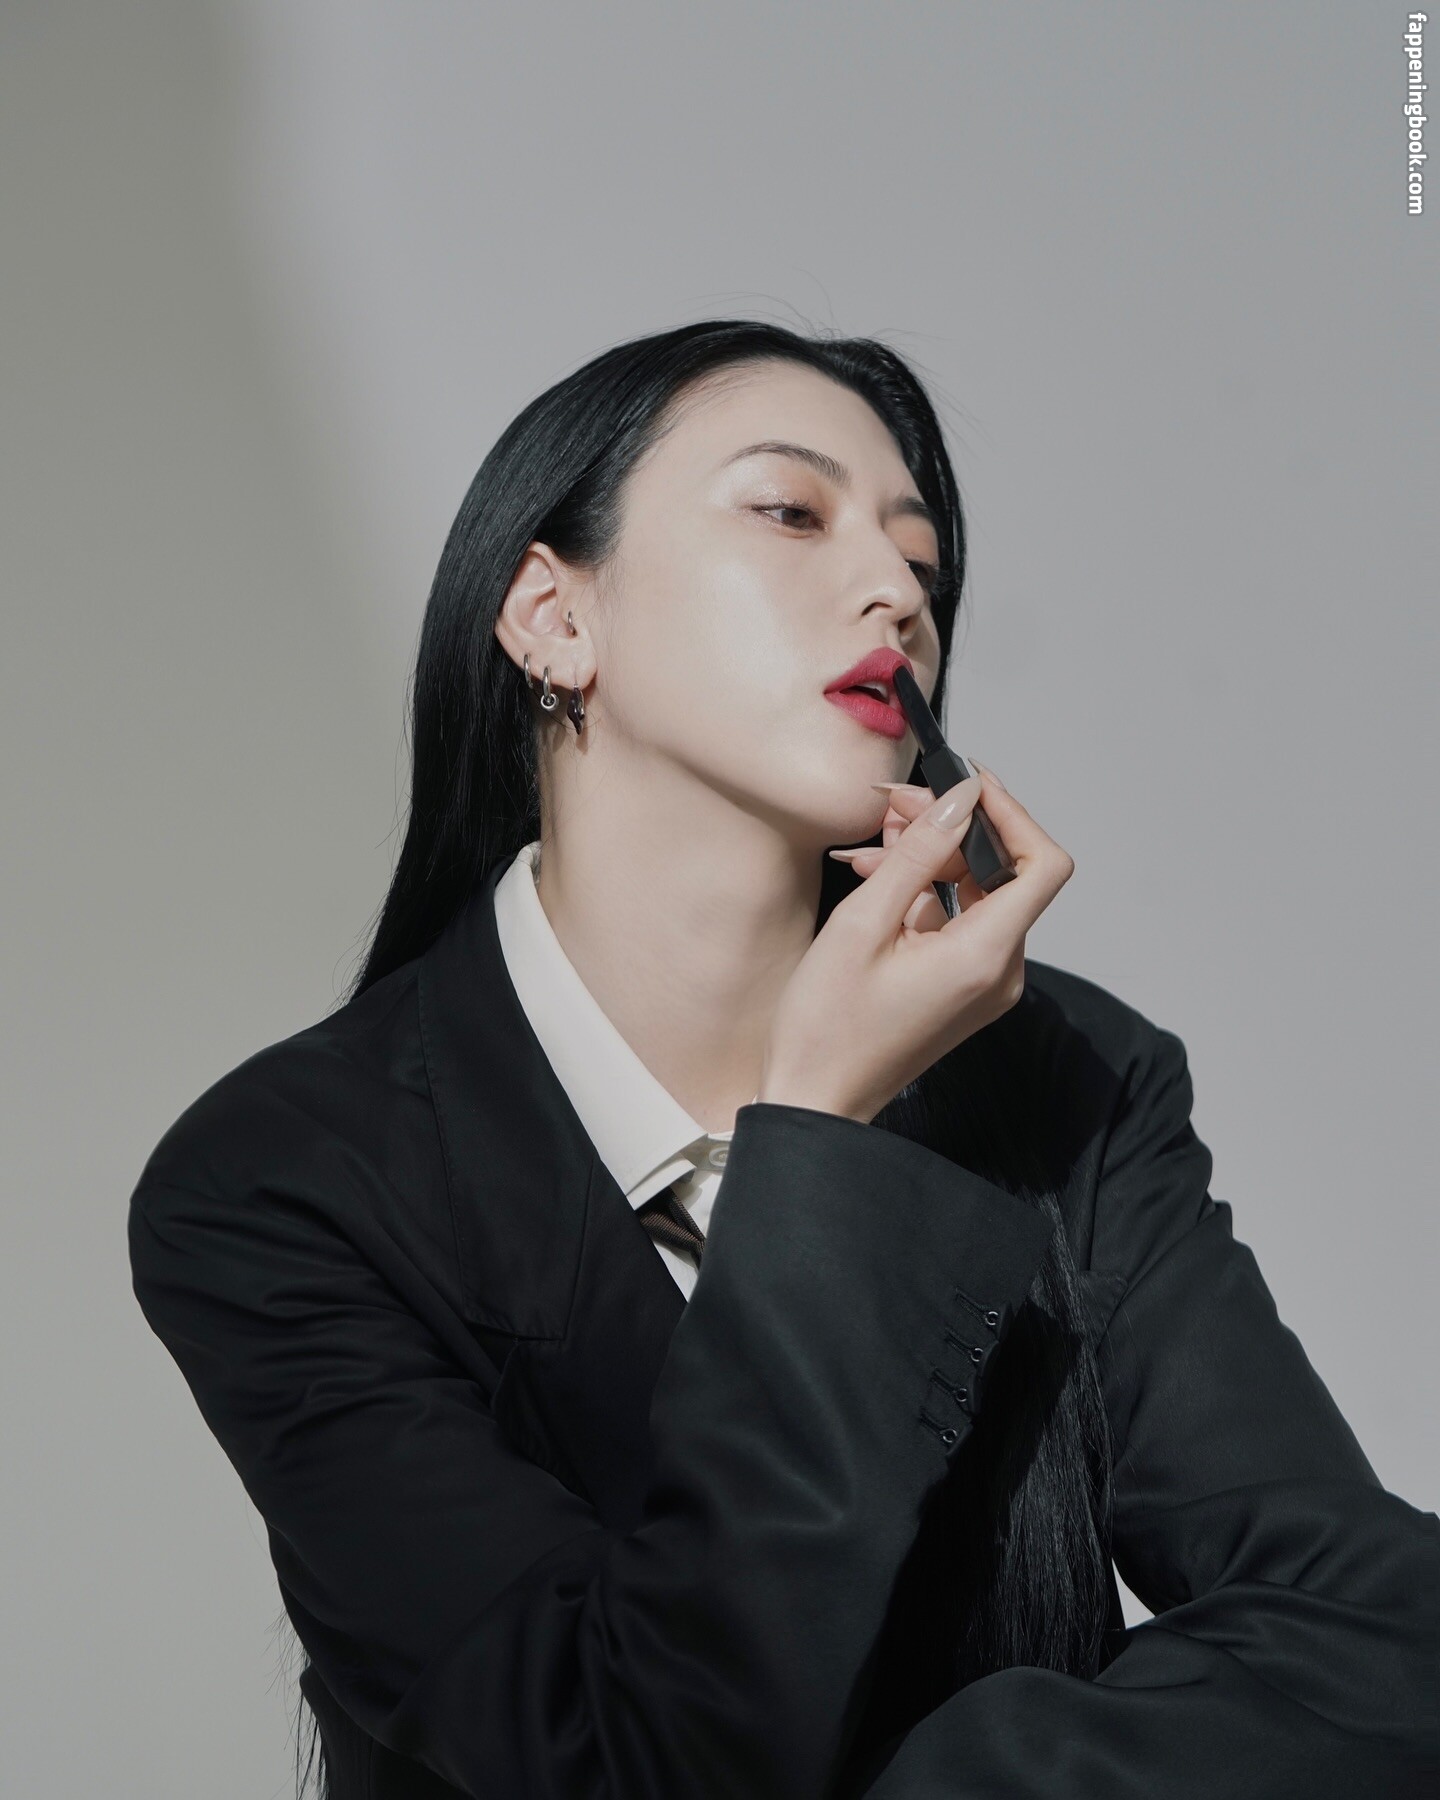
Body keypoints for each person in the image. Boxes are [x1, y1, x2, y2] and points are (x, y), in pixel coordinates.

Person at [127, 321, 1438, 1799]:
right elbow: (628, 1760)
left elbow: (1385, 1638)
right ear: (553, 618)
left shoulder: (1074, 1078)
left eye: (920, 560)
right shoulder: (279, 1182)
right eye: (791, 511)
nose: (898, 591)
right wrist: (819, 1134)